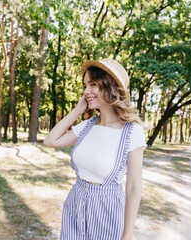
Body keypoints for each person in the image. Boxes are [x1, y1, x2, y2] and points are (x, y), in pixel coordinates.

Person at [43, 58, 146, 240]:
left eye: (93, 84)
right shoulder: (87, 126)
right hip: (75, 206)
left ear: (110, 86)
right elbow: (50, 141)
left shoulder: (131, 131)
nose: (86, 91)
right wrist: (76, 111)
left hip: (107, 212)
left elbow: (133, 187)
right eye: (85, 85)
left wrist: (127, 236)